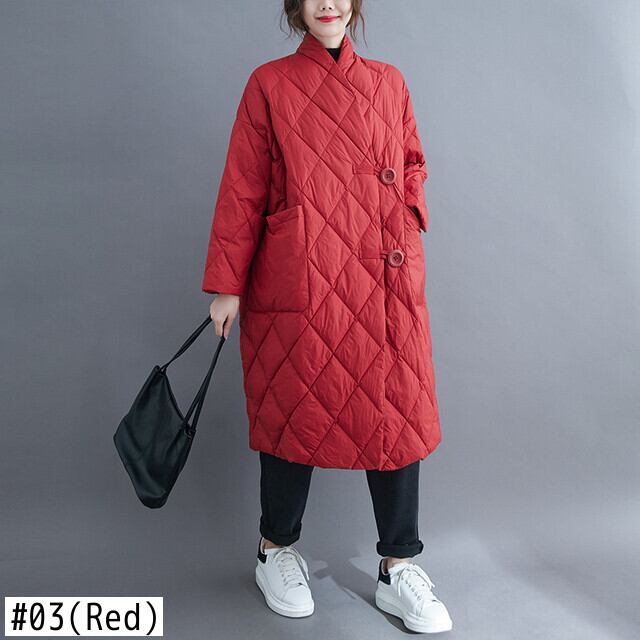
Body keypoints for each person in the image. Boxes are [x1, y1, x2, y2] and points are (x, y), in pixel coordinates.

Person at [202, 0, 452, 633]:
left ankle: (399, 566)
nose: (328, 3)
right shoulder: (269, 83)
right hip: (305, 272)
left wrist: (405, 214)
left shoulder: (390, 81)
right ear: (296, 7)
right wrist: (227, 285)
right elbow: (243, 186)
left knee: (395, 412)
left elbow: (412, 160)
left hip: (383, 272)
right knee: (296, 405)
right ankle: (276, 550)